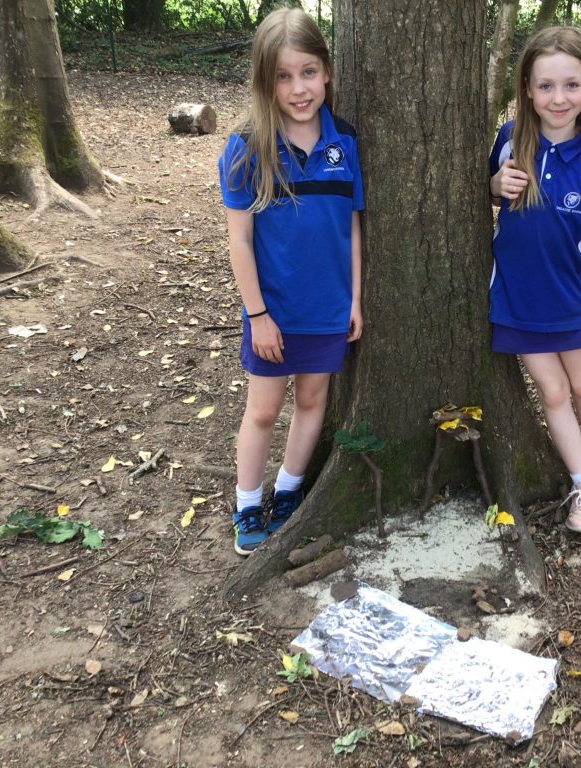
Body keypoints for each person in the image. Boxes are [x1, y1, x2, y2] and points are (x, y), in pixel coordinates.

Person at [218, 8, 363, 555]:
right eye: (283, 76)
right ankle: (248, 502)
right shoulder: (246, 148)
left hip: (329, 308)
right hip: (273, 314)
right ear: (264, 82)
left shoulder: (344, 143)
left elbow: (352, 228)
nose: (298, 88)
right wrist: (257, 315)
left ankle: (288, 491)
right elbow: (241, 242)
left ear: (326, 72)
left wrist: (355, 299)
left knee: (313, 400)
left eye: (307, 72)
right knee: (262, 409)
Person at [488, 26, 581, 534]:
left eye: (571, 85)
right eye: (545, 86)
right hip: (517, 301)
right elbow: (483, 193)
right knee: (552, 392)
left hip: (573, 301)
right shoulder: (509, 142)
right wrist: (493, 184)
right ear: (526, 88)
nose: (558, 98)